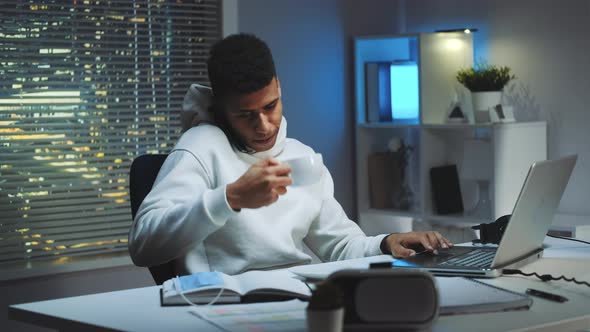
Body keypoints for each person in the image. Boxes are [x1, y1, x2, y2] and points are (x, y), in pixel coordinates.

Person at [128, 33, 453, 276]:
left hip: (299, 295)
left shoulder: (301, 157)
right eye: (245, 115)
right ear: (221, 110)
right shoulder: (200, 146)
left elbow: (340, 245)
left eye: (270, 106)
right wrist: (230, 198)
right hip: (227, 305)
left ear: (279, 87)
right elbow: (143, 246)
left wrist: (386, 243)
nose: (264, 124)